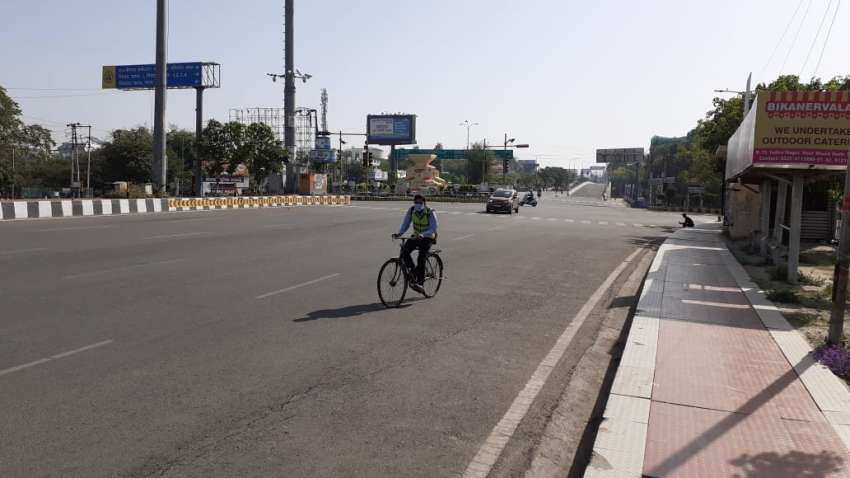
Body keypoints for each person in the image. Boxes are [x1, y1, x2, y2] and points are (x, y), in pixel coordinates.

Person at [393, 194, 439, 294]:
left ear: (424, 203)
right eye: (416, 202)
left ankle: (421, 284)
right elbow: (405, 223)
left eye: (420, 202)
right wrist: (399, 233)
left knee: (421, 257)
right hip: (416, 236)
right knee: (404, 252)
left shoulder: (430, 212)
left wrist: (423, 234)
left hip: (428, 237)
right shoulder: (412, 210)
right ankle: (413, 272)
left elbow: (434, 228)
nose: (418, 204)